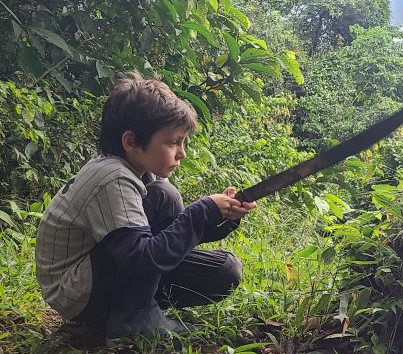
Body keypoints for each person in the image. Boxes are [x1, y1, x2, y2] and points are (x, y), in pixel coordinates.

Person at [35, 74, 255, 340]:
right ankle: (134, 317)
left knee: (223, 270)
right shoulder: (112, 177)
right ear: (131, 141)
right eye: (173, 142)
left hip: (106, 269)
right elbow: (142, 259)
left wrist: (221, 214)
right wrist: (202, 210)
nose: (181, 153)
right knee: (165, 198)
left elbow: (174, 237)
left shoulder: (141, 173)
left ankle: (133, 309)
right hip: (76, 292)